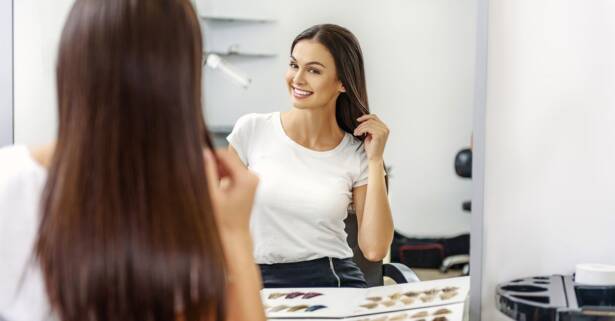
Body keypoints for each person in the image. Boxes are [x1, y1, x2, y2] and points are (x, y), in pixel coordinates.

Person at [0, 0, 264, 320]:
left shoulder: (11, 180)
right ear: (183, 81)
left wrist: (234, 233)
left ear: (71, 64)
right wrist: (236, 236)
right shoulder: (200, 198)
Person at [227, 24, 394, 288]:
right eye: (294, 65)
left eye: (313, 70)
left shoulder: (356, 153)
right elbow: (224, 224)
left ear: (341, 82)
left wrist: (375, 161)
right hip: (258, 281)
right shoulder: (251, 130)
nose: (298, 79)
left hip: (333, 281)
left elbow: (374, 249)